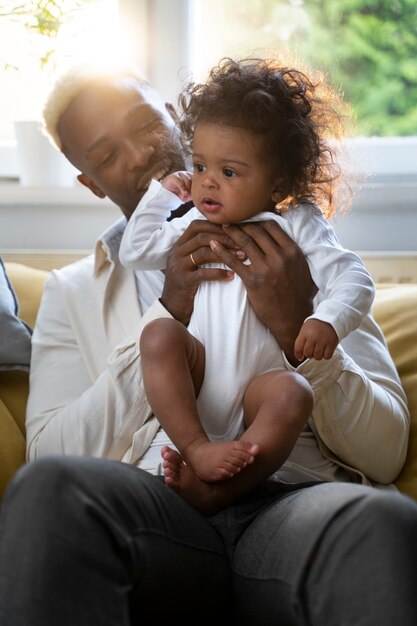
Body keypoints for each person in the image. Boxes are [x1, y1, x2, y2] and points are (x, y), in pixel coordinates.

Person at [0, 60, 415, 626]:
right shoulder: (72, 293)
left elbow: (386, 452)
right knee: (53, 491)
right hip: (157, 513)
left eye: (145, 124)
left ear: (175, 118)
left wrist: (298, 325)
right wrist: (168, 309)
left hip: (293, 502)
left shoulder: (299, 244)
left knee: (375, 520)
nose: (143, 154)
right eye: (107, 155)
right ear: (91, 184)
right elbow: (50, 457)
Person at [119, 58, 375, 495]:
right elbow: (136, 250)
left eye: (228, 172)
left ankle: (219, 494)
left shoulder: (296, 223)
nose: (208, 184)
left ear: (277, 185)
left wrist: (325, 319)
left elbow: (354, 279)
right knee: (158, 336)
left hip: (263, 392)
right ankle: (196, 448)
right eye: (199, 167)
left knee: (294, 393)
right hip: (200, 383)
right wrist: (163, 194)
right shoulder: (193, 225)